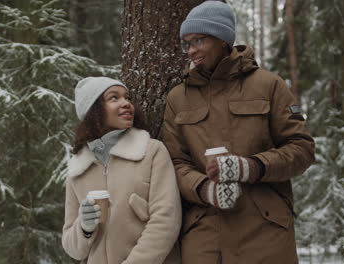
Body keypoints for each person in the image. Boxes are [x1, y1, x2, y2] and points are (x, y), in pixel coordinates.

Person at [163, 1, 315, 263]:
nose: (191, 50)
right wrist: (203, 188)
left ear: (222, 38)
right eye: (186, 43)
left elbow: (301, 148)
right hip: (205, 237)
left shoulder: (269, 85)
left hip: (265, 233)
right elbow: (174, 162)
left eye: (199, 40)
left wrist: (252, 167)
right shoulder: (178, 97)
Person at [62, 77, 182, 264]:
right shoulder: (78, 169)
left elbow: (166, 221)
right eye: (114, 98)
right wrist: (84, 227)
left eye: (127, 98)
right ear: (94, 110)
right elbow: (72, 249)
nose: (126, 103)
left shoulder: (151, 151)